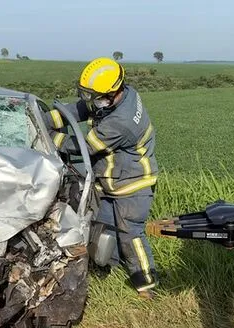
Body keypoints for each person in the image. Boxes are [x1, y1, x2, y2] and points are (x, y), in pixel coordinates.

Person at [45, 58, 159, 299]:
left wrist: (49, 139)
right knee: (105, 228)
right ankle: (113, 273)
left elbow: (83, 147)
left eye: (94, 96)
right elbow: (79, 109)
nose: (91, 101)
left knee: (130, 234)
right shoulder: (116, 97)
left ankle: (145, 284)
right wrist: (43, 120)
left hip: (132, 185)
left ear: (112, 94)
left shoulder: (122, 122)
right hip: (111, 181)